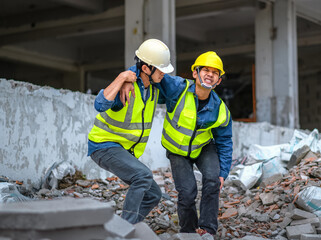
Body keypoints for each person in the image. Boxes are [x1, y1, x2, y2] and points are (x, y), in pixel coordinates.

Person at [123, 51, 232, 235]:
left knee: (213, 181)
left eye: (215, 73)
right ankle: (189, 232)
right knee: (188, 192)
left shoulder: (220, 110)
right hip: (177, 150)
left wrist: (223, 172)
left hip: (204, 147)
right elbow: (147, 69)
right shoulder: (177, 88)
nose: (210, 74)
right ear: (195, 73)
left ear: (218, 81)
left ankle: (207, 230)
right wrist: (127, 77)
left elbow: (224, 141)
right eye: (205, 69)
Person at [87, 39, 174, 224]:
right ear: (146, 69)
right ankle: (124, 231)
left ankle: (123, 226)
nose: (163, 74)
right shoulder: (125, 88)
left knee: (153, 194)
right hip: (103, 146)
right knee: (142, 175)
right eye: (160, 70)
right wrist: (122, 78)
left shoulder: (154, 86)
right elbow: (100, 104)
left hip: (122, 150)